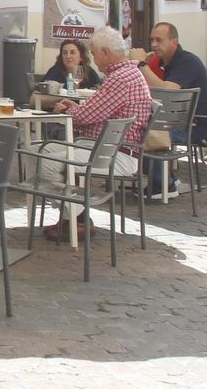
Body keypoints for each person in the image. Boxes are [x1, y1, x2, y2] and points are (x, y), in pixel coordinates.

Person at [37, 26, 156, 241]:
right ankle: (74, 217)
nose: (93, 57)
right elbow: (93, 112)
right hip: (103, 146)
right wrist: (75, 108)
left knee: (47, 161)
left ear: (106, 53)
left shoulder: (121, 79)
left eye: (93, 52)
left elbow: (85, 117)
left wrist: (68, 110)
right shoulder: (126, 74)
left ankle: (76, 220)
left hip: (115, 153)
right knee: (36, 150)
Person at [131, 21, 207, 187]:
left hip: (194, 127)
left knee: (147, 133)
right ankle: (163, 180)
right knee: (137, 127)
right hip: (174, 121)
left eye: (159, 40)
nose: (154, 45)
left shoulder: (187, 62)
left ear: (174, 42)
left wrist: (141, 64)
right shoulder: (162, 62)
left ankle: (162, 185)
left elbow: (168, 92)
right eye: (152, 40)